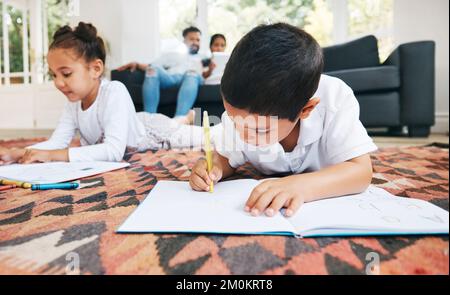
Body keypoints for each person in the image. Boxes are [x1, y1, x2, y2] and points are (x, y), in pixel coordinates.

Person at [188, 23, 378, 218]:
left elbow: (361, 172)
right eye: (235, 121)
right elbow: (227, 157)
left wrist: (302, 186)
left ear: (306, 110)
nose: (243, 135)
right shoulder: (243, 114)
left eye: (260, 130)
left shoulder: (334, 99)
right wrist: (214, 167)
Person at [0, 22, 200, 165]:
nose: (58, 83)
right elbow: (57, 143)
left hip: (152, 131)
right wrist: (16, 153)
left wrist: (53, 156)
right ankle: (184, 119)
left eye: (66, 74)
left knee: (207, 137)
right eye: (54, 75)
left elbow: (113, 151)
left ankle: (186, 118)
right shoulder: (73, 103)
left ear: (96, 69)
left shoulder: (114, 91)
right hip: (133, 123)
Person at [117, 26, 215, 116]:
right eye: (192, 39)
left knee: (191, 73)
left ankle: (179, 120)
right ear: (184, 40)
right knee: (152, 70)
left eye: (198, 40)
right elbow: (152, 65)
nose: (195, 42)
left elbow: (206, 76)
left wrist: (210, 70)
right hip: (172, 78)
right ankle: (149, 119)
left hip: (191, 79)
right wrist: (137, 64)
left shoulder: (205, 58)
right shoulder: (173, 55)